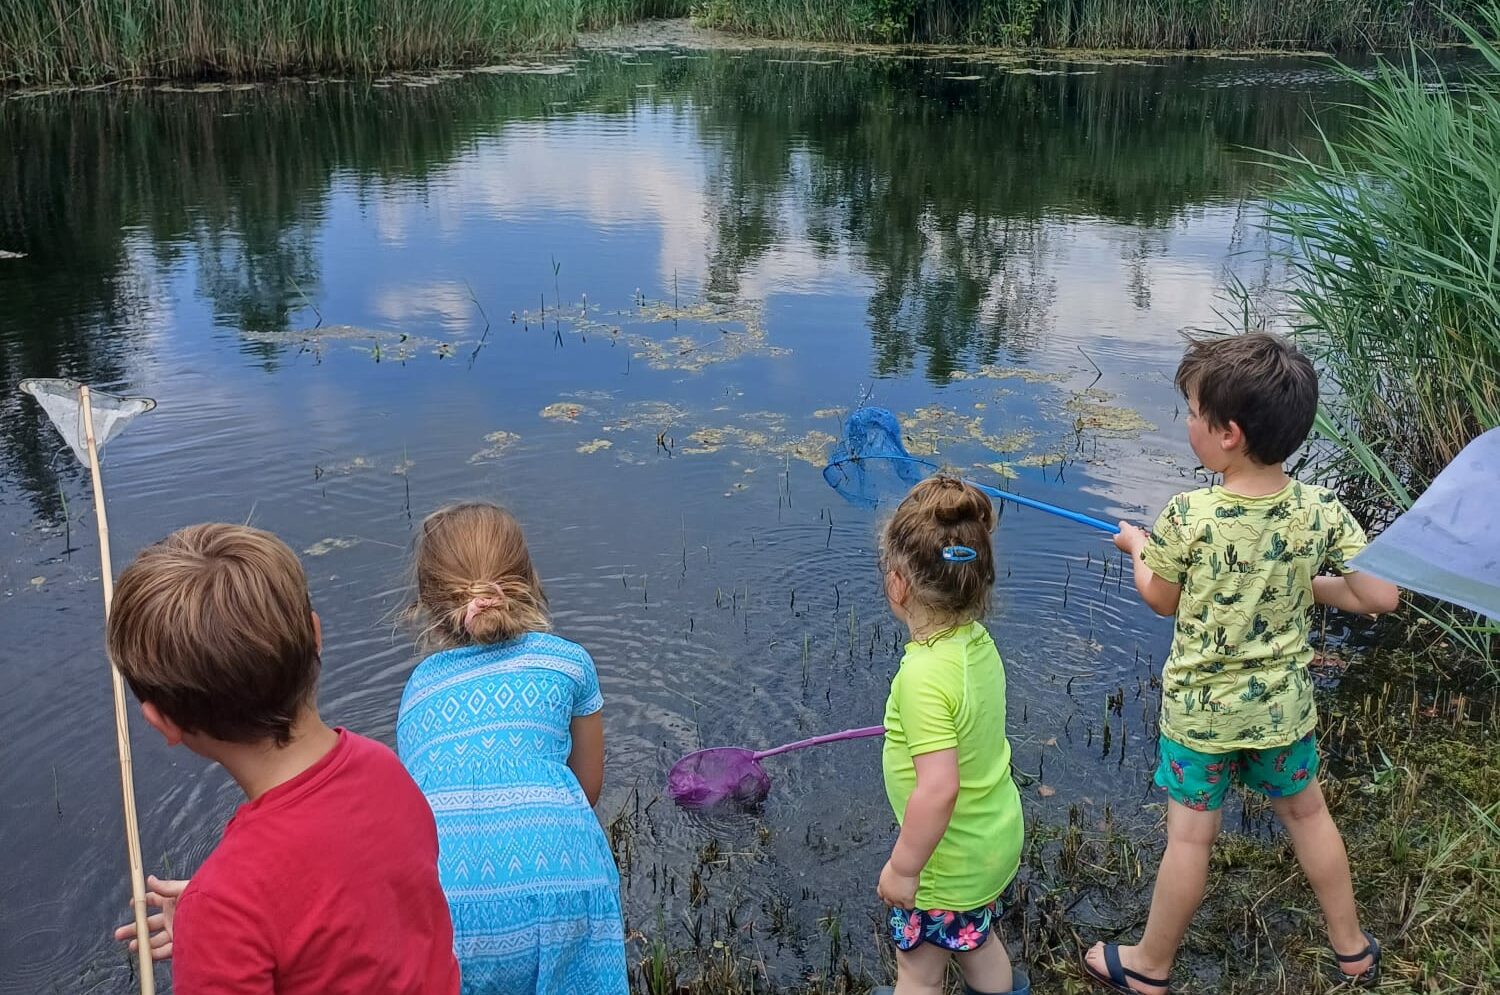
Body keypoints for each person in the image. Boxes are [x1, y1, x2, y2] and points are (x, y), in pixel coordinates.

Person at [1083, 332, 1400, 994]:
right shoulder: (1319, 509)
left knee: (1192, 841)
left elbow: (1161, 599)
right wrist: (1303, 581)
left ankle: (1149, 965)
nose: (1189, 425)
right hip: (1282, 711)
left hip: (1201, 718)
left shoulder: (1187, 515)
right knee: (1309, 816)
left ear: (1228, 433)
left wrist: (1139, 546)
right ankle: (1352, 948)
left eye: (1194, 414)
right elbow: (1378, 594)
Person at [108, 524, 460, 994]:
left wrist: (217, 932)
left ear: (160, 721)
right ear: (317, 634)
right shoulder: (385, 769)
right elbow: (355, 913)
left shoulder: (226, 907)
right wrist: (223, 929)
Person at [397, 501, 627, 995]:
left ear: (428, 603)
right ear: (528, 580)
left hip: (450, 901)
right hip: (567, 884)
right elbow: (587, 789)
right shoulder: (569, 663)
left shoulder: (418, 689)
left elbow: (417, 811)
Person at [872, 476, 1030, 995]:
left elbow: (938, 789)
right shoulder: (976, 644)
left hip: (947, 864)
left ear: (898, 584)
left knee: (918, 968)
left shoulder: (921, 677)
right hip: (993, 842)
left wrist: (903, 867)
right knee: (977, 941)